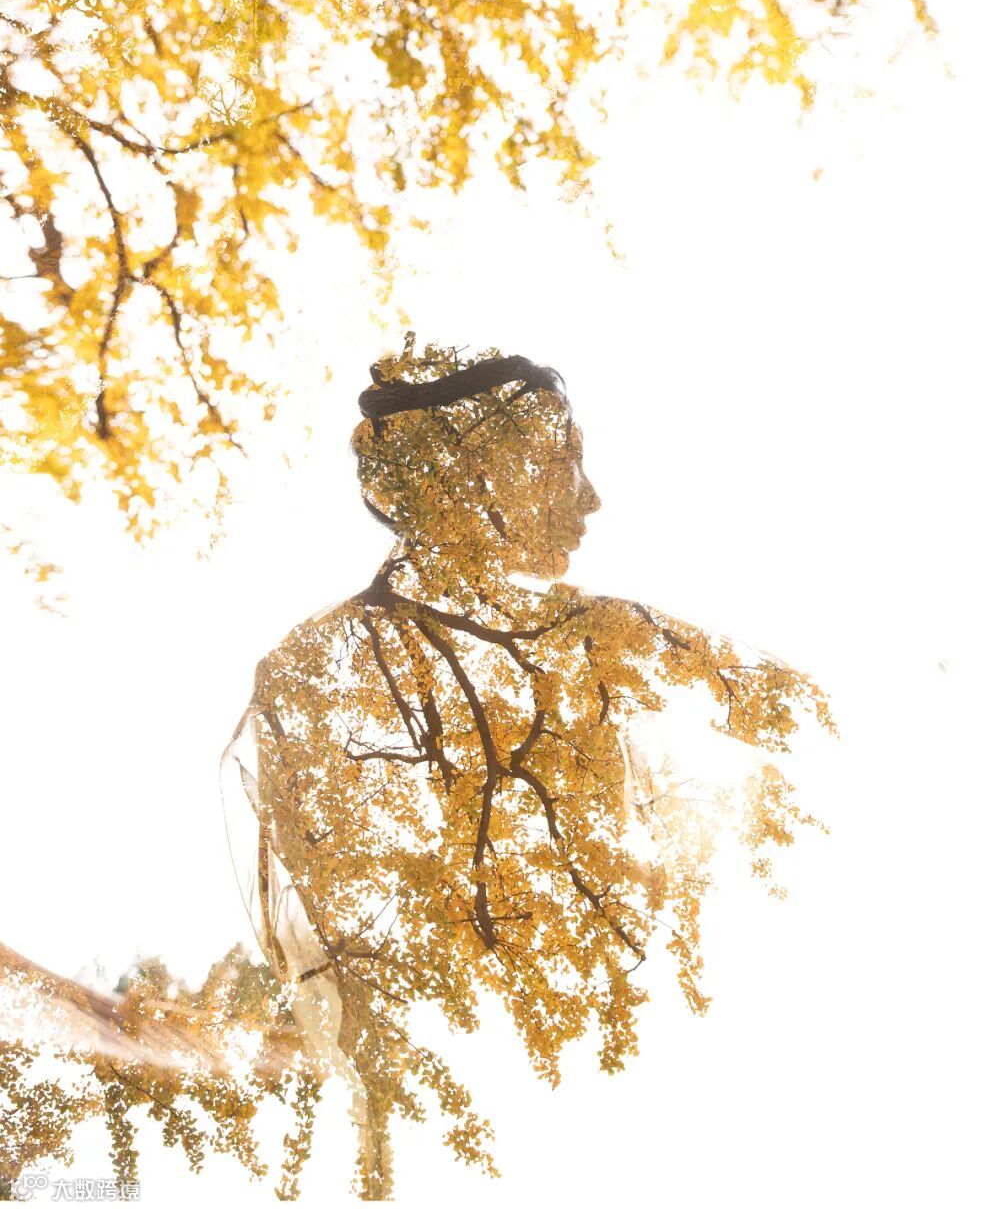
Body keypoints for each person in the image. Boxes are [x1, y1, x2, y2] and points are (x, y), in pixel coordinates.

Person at [222, 340, 833, 1197]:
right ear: (474, 473)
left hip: (617, 1100)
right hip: (476, 1117)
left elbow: (820, 736)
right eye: (559, 463)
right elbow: (356, 943)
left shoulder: (605, 640)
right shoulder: (315, 675)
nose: (590, 497)